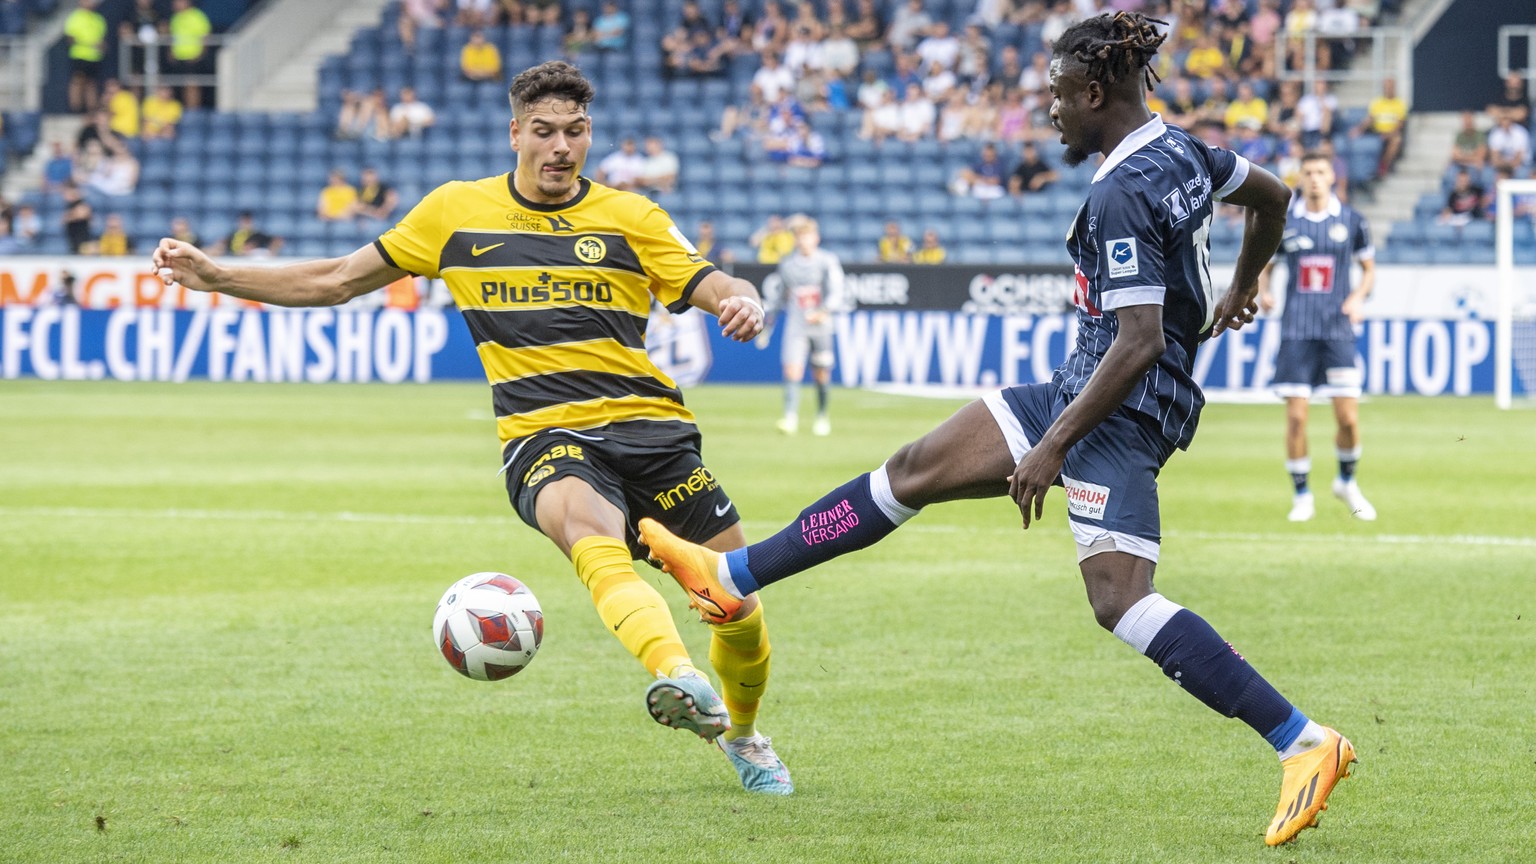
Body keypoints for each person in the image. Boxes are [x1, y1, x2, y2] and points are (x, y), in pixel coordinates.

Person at [639, 13, 1356, 848]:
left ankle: (1303, 741)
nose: (1046, 110)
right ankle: (733, 574)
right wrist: (1240, 286)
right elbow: (1274, 197)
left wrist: (1055, 445)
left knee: (1120, 600)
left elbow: (1140, 340)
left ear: (1095, 92)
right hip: (1080, 387)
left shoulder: (1121, 191)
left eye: (1055, 94)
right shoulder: (1187, 152)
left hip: (1118, 408)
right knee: (914, 469)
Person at [151, 60, 790, 796]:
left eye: (575, 133)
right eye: (544, 132)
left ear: (590, 136)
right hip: (545, 435)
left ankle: (742, 735)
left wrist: (744, 303)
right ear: (514, 132)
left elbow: (717, 283)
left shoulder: (631, 216)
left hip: (654, 432)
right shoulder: (455, 212)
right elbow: (336, 280)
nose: (560, 148)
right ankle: (677, 677)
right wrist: (221, 276)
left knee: (737, 606)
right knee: (588, 532)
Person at [1258, 152, 1377, 523]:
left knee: (1348, 420)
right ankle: (1302, 494)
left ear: (1332, 177)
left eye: (1321, 172)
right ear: (1301, 177)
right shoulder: (1286, 223)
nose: (1314, 178)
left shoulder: (1352, 221)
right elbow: (1266, 265)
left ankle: (1346, 482)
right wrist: (1264, 291)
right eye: (1308, 172)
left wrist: (1358, 297)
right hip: (1296, 329)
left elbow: (1369, 269)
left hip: (1338, 330)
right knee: (1296, 418)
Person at [761, 217, 845, 436]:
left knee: (821, 373)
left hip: (822, 326)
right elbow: (779, 298)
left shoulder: (827, 261)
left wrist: (823, 311)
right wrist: (768, 325)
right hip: (796, 325)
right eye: (800, 237)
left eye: (808, 236)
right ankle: (790, 417)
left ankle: (822, 416)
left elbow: (837, 292)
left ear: (816, 238)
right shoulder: (788, 265)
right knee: (792, 369)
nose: (804, 241)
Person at [65, 0, 109, 114]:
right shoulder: (75, 17)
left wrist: (101, 46)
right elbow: (70, 38)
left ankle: (91, 111)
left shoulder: (99, 19)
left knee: (91, 83)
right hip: (79, 55)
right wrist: (88, 43)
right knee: (78, 81)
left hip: (94, 57)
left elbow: (102, 40)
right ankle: (75, 109)